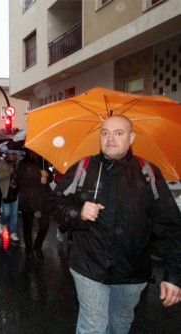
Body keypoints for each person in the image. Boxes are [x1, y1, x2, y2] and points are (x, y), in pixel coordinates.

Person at [51, 115, 181, 333]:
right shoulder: (83, 168)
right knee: (93, 326)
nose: (110, 138)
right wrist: (77, 212)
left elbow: (170, 226)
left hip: (132, 272)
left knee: (119, 325)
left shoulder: (148, 173)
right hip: (89, 267)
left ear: (131, 137)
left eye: (118, 133)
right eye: (105, 133)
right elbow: (56, 203)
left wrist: (174, 275)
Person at [16, 150, 52, 261]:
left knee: (45, 223)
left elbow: (50, 175)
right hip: (28, 198)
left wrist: (48, 177)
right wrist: (38, 178)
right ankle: (28, 250)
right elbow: (20, 181)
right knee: (28, 226)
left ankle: (38, 246)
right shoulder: (22, 163)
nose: (34, 152)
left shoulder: (44, 160)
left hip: (43, 198)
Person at [0, 151, 20, 242]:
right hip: (5, 193)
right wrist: (8, 173)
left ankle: (13, 232)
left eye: (15, 154)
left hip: (15, 193)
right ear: (7, 154)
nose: (13, 156)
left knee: (14, 215)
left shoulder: (18, 164)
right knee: (6, 213)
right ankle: (2, 223)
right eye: (12, 154)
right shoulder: (1, 163)